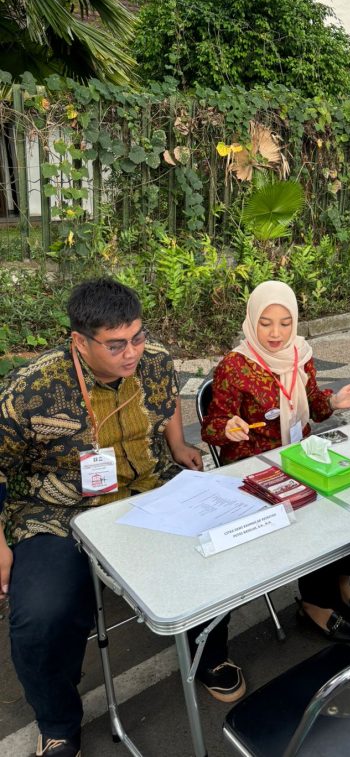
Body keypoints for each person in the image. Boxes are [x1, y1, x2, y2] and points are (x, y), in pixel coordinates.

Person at [0, 278, 241, 757]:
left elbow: (167, 404)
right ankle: (58, 723)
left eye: (137, 337)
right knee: (42, 615)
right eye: (115, 345)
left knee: (217, 548)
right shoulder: (32, 390)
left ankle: (209, 654)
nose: (131, 353)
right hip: (60, 510)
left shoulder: (156, 360)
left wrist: (178, 445)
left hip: (150, 489)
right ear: (80, 341)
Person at [202, 280, 350, 642]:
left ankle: (343, 581)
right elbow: (212, 426)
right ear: (252, 320)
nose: (276, 333)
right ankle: (315, 602)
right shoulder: (236, 365)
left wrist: (335, 401)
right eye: (266, 323)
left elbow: (313, 404)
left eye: (285, 323)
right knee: (313, 511)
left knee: (349, 495)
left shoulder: (300, 353)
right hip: (256, 464)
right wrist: (227, 427)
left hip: (298, 453)